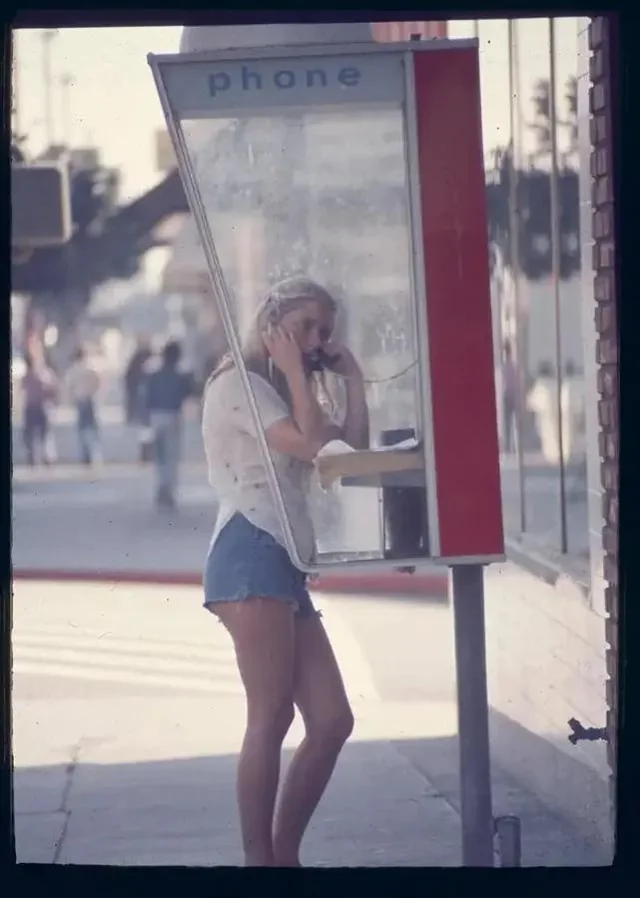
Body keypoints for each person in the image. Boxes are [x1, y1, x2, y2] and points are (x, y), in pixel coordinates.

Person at [201, 276, 369, 867]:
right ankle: (259, 861)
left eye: (324, 331)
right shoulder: (239, 384)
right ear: (272, 329)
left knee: (330, 719)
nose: (315, 339)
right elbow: (302, 444)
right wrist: (297, 371)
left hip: (285, 560)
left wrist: (349, 379)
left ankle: (284, 852)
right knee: (270, 713)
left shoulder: (284, 387)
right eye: (305, 328)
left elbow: (342, 454)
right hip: (250, 549)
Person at [141, 339, 195, 509]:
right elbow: (190, 391)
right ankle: (169, 490)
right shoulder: (180, 375)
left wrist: (145, 419)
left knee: (159, 456)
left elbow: (146, 397)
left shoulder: (153, 375)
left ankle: (161, 485)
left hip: (156, 416)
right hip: (173, 416)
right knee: (172, 456)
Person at [64, 347, 101, 465]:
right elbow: (98, 381)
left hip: (80, 400)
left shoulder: (74, 370)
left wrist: (70, 399)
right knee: (92, 428)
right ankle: (94, 453)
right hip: (90, 399)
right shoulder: (90, 368)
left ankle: (85, 455)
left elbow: (69, 386)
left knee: (82, 429)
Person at [21, 355, 58, 466]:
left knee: (32, 434)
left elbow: (23, 391)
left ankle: (34, 456)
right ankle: (46, 457)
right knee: (43, 433)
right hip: (41, 406)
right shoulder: (44, 374)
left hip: (32, 406)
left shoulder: (27, 377)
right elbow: (52, 389)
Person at [124, 339, 153, 462]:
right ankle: (149, 452)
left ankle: (145, 452)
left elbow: (128, 384)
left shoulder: (134, 369)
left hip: (141, 401)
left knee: (144, 428)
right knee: (149, 428)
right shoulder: (153, 368)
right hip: (151, 403)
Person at [502, 339, 518, 454]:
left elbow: (505, 383)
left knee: (507, 422)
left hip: (507, 395)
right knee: (513, 422)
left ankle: (508, 446)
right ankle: (513, 446)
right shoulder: (512, 366)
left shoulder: (505, 366)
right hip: (512, 395)